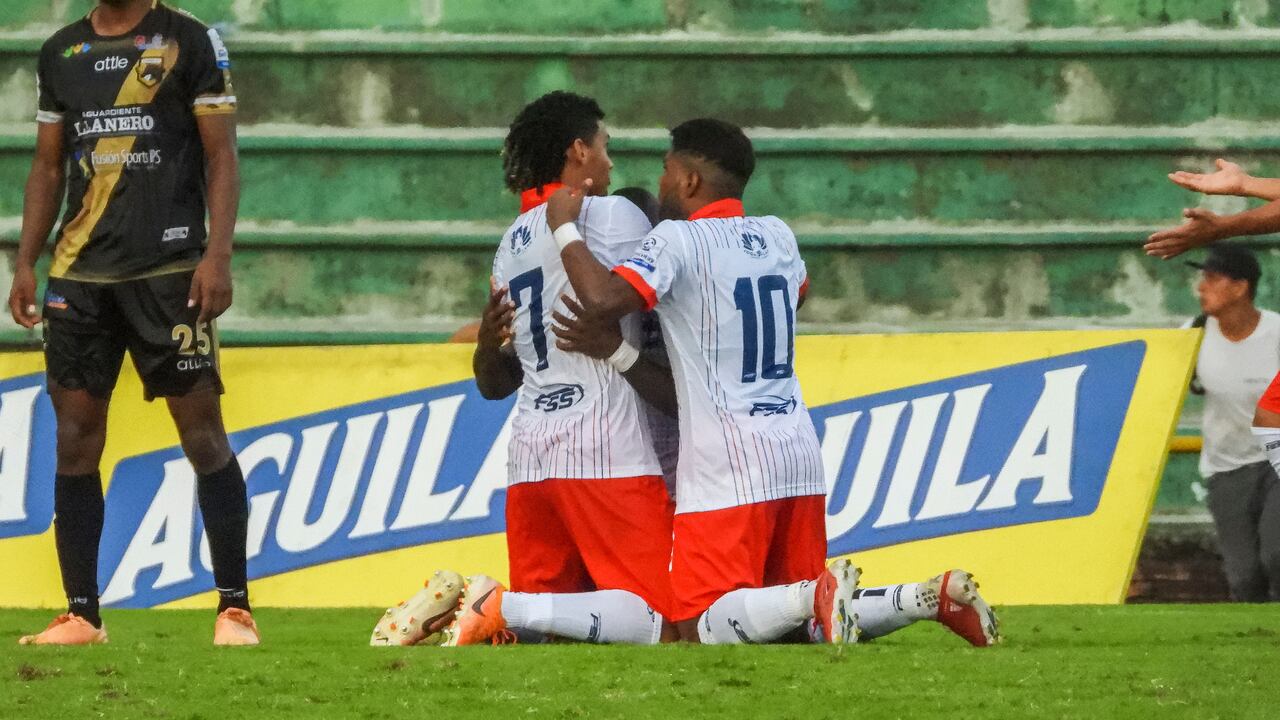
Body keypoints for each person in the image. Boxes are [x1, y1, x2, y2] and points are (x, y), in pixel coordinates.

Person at [544, 118, 999, 646]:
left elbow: (600, 302)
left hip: (728, 462)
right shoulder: (777, 234)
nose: (661, 184)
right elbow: (793, 296)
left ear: (690, 181)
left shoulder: (676, 239)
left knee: (696, 623)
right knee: (787, 626)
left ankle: (816, 595)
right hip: (795, 450)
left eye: (667, 172)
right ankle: (926, 597)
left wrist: (564, 226)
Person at [8, 0, 256, 646]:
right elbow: (47, 165)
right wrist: (26, 262)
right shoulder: (61, 52)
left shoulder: (192, 41)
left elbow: (221, 156)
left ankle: (235, 608)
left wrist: (218, 255)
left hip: (169, 271)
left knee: (203, 436)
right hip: (80, 275)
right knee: (74, 438)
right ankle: (83, 614)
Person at [440, 91, 677, 646]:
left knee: (555, 642)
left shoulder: (510, 243)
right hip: (606, 451)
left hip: (531, 461)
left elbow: (496, 380)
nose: (610, 162)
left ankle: (501, 609)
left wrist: (484, 349)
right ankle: (496, 602)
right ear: (578, 151)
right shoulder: (612, 215)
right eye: (604, 146)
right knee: (664, 624)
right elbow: (667, 281)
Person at [1183, 244, 1280, 600]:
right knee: (1244, 578)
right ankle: (1253, 643)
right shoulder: (1192, 335)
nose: (1200, 288)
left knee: (1278, 555)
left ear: (1240, 288)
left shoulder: (1276, 335)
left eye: (1211, 278)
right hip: (1226, 468)